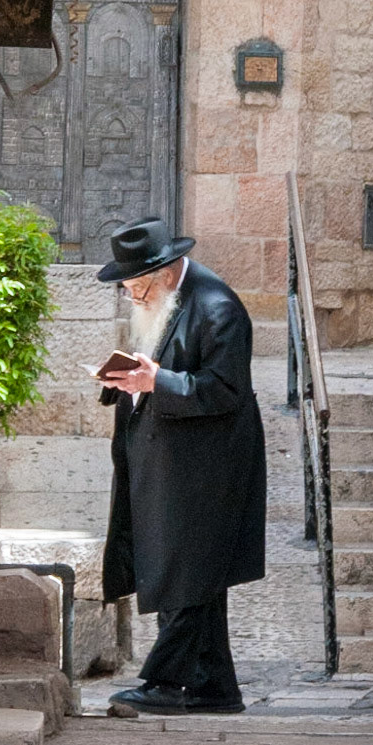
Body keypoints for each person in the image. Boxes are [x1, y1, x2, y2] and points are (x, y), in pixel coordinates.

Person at [96, 216, 267, 715]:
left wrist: (158, 384)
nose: (132, 296)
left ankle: (165, 684)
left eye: (137, 286)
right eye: (126, 287)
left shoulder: (218, 309)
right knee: (195, 574)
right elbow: (161, 363)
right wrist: (125, 378)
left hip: (207, 469)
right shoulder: (166, 299)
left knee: (185, 576)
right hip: (171, 464)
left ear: (167, 272)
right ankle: (216, 688)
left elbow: (225, 389)